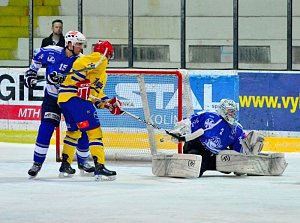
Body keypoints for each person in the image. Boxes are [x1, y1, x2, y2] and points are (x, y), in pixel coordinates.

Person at [25, 31, 94, 178]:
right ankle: (37, 163)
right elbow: (37, 56)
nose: (81, 48)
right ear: (69, 44)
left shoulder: (81, 60)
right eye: (78, 44)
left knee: (80, 129)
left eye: (82, 45)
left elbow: (86, 81)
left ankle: (83, 161)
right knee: (46, 128)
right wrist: (31, 72)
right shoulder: (52, 51)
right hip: (52, 98)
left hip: (70, 100)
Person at [57, 40, 120, 180]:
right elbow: (80, 63)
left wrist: (109, 104)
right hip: (75, 98)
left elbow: (96, 96)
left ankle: (65, 165)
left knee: (73, 132)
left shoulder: (101, 73)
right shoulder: (100, 58)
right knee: (94, 131)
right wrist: (77, 80)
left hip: (65, 100)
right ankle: (100, 167)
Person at [169, 98, 245, 177]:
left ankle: (205, 163)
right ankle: (185, 163)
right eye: (229, 111)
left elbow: (237, 151)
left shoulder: (237, 129)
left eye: (233, 111)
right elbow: (189, 122)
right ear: (222, 110)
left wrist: (239, 163)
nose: (232, 114)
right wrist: (179, 133)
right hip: (197, 146)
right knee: (195, 169)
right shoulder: (210, 116)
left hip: (213, 154)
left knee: (227, 165)